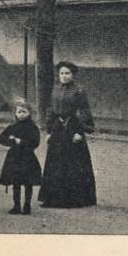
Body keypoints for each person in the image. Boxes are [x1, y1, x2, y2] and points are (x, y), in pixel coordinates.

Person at [39, 61, 97, 208]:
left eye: (67, 73)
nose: (64, 76)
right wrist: (49, 131)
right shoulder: (55, 90)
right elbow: (51, 110)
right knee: (55, 162)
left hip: (73, 127)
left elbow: (84, 110)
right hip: (58, 128)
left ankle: (74, 199)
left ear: (73, 75)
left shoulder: (79, 90)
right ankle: (52, 198)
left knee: (72, 163)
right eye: (61, 73)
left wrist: (80, 132)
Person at [0, 98, 43, 215]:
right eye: (19, 112)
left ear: (29, 113)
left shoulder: (32, 127)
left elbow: (35, 142)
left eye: (24, 112)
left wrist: (21, 142)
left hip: (27, 158)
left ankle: (27, 205)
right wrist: (10, 141)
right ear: (15, 113)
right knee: (16, 182)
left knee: (28, 183)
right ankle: (16, 205)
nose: (21, 115)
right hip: (14, 158)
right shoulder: (12, 127)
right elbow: (1, 138)